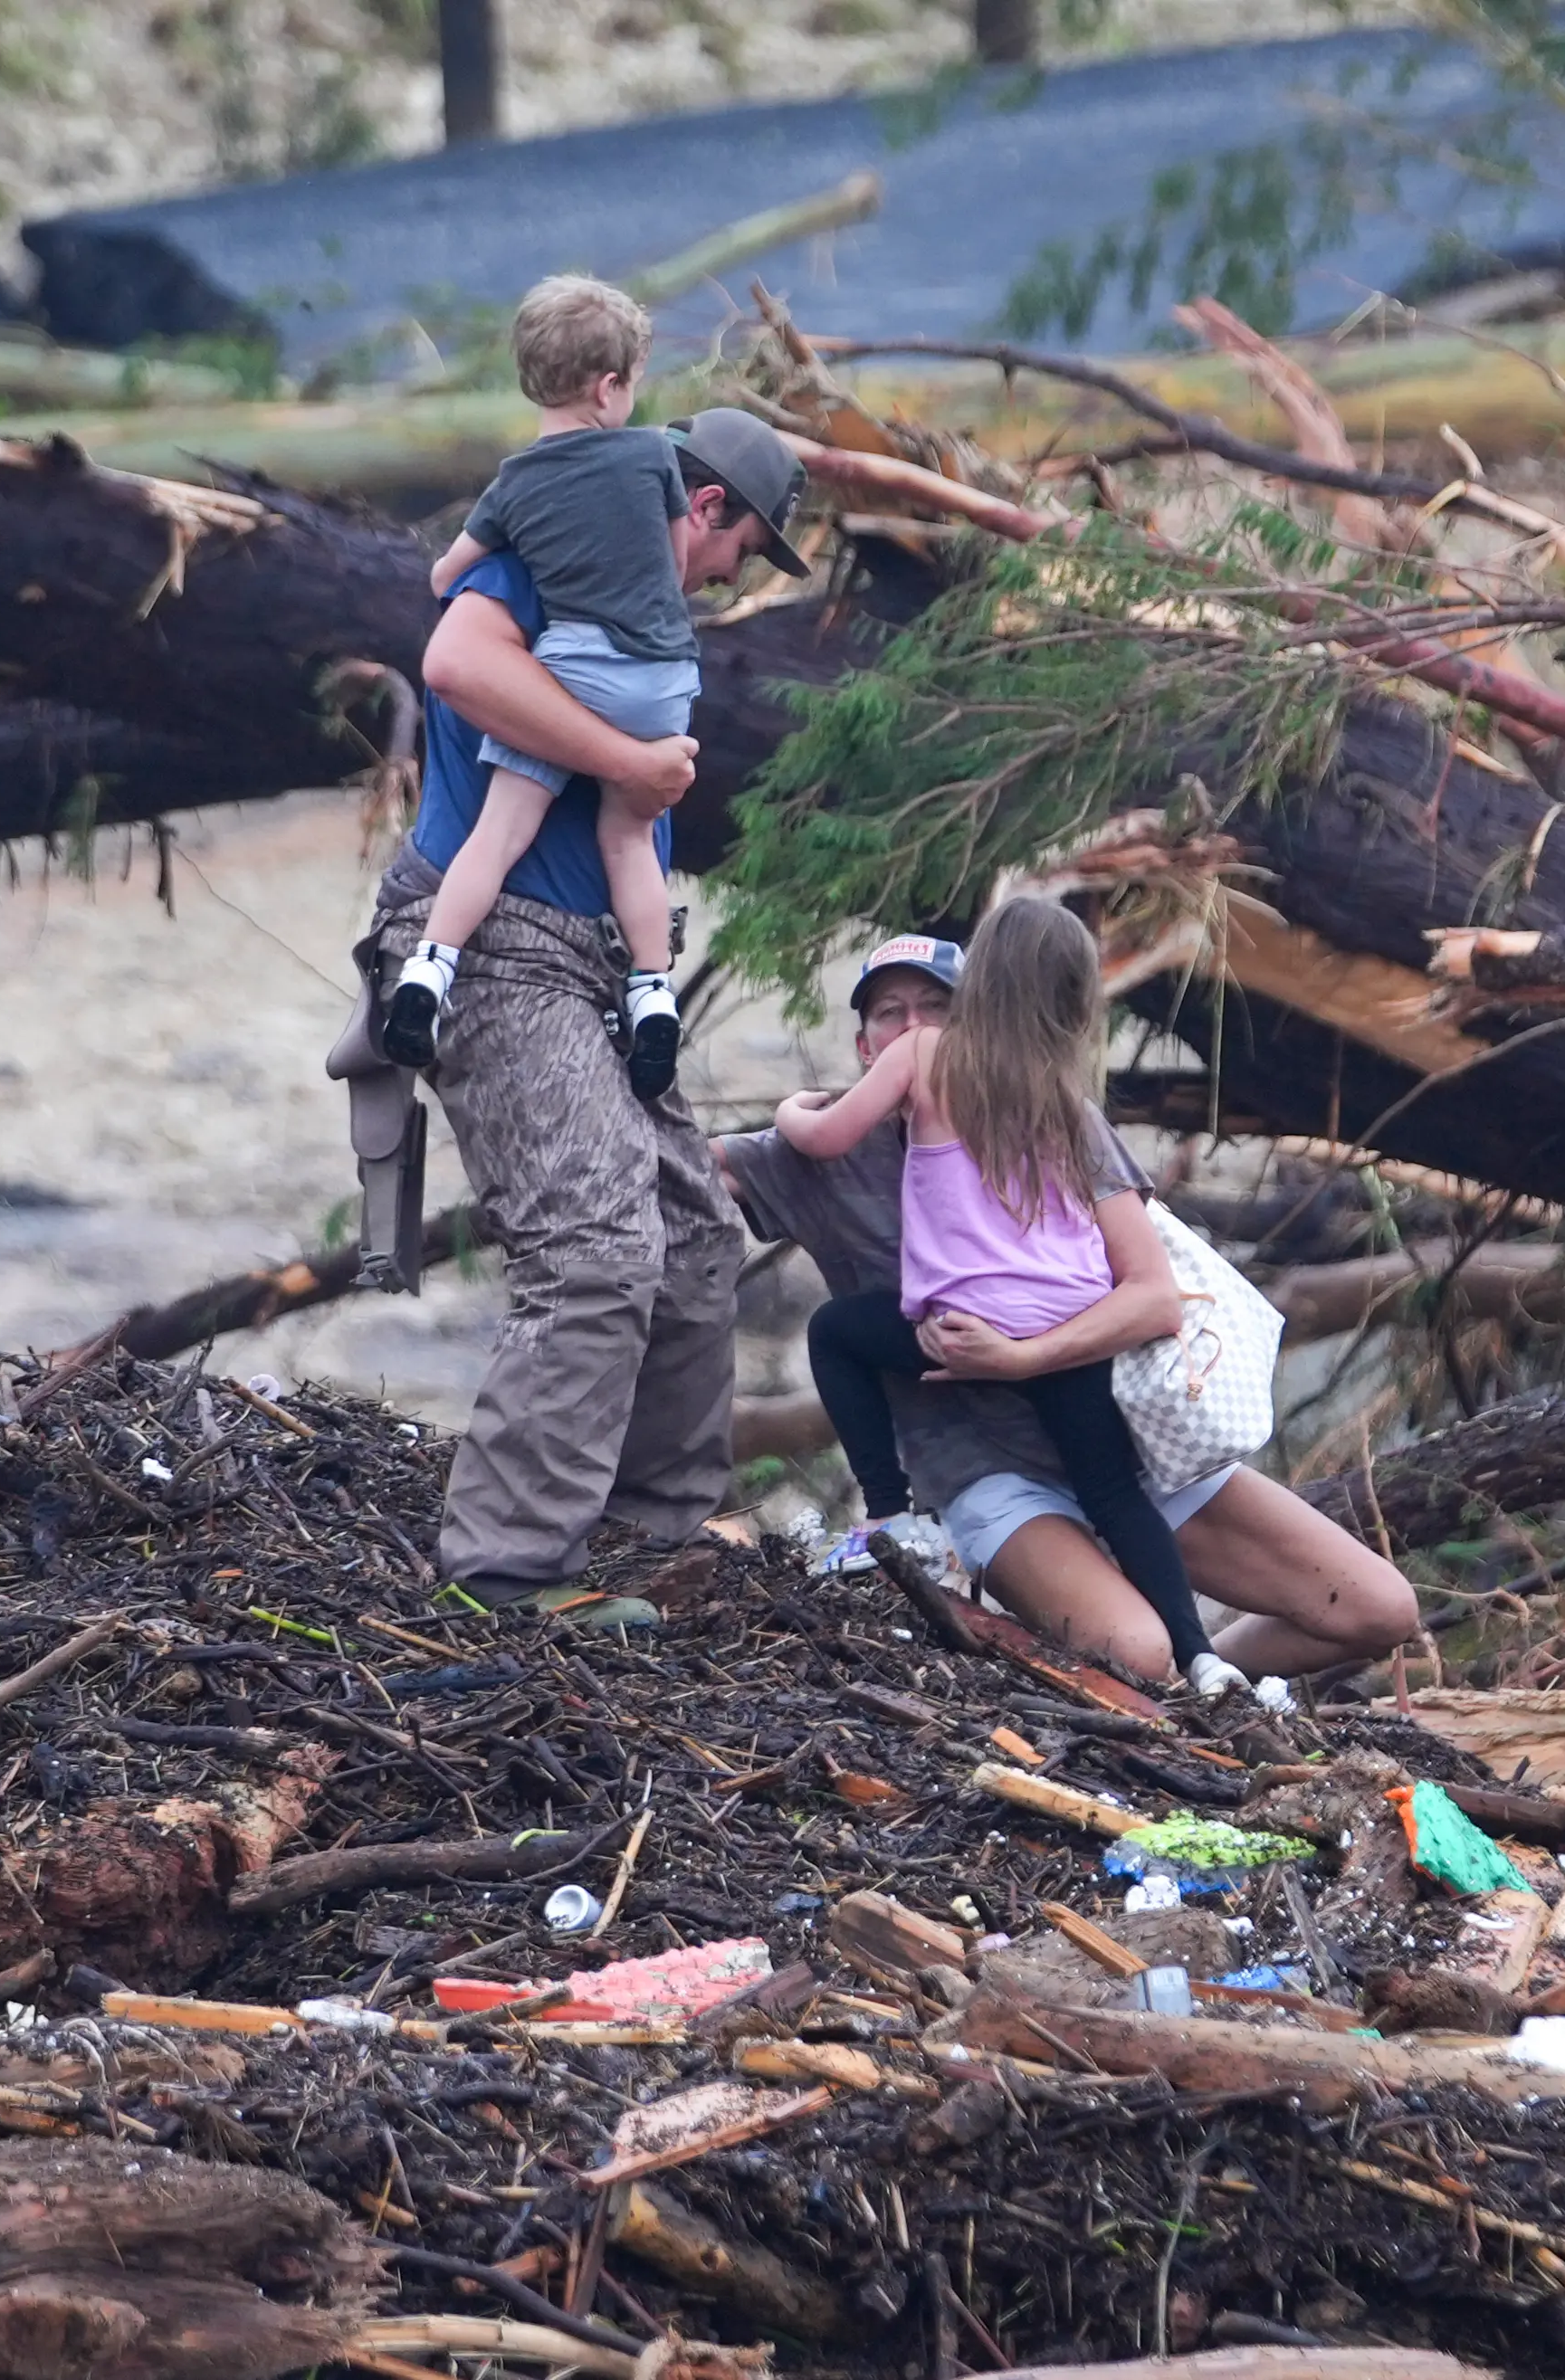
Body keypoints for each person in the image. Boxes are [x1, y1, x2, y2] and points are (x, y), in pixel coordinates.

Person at [361, 405, 810, 1614]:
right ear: (706, 508)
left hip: (597, 961)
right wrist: (626, 764)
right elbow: (454, 661)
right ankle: (506, 1568)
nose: (733, 578)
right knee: (597, 1244)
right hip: (495, 941)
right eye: (743, 548)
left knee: (697, 1233)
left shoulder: (650, 611)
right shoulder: (555, 550)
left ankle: (648, 1529)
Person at [717, 934, 1421, 1686]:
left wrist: (1022, 1355)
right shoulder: (828, 1157)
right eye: (893, 1013)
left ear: (980, 1023)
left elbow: (1153, 1298)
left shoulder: (1056, 1113)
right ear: (866, 1046)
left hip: (1131, 1441)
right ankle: (1154, 1668)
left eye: (935, 1008)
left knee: (1380, 1610)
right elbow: (688, 1170)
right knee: (1139, 1655)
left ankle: (1213, 1684)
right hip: (995, 1476)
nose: (916, 1028)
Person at [768, 898, 1239, 1693]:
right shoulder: (1062, 1097)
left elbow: (826, 1138)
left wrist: (794, 1107)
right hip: (1074, 1326)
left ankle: (891, 1517)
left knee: (837, 1333)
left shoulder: (922, 1051)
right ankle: (1204, 1657)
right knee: (1117, 1496)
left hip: (963, 1327)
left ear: (977, 980)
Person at [383, 276, 740, 1100]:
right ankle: (653, 994)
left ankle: (428, 973)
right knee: (628, 840)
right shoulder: (654, 453)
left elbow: (445, 574)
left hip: (571, 673)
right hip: (658, 679)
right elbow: (674, 558)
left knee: (499, 833)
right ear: (610, 387)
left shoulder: (512, 485)